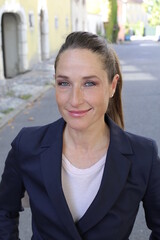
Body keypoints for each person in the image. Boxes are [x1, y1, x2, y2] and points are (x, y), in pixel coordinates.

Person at [0, 31, 160, 240]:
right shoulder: (27, 146)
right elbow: (4, 211)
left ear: (112, 86)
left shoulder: (143, 156)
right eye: (64, 83)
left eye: (89, 83)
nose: (74, 100)